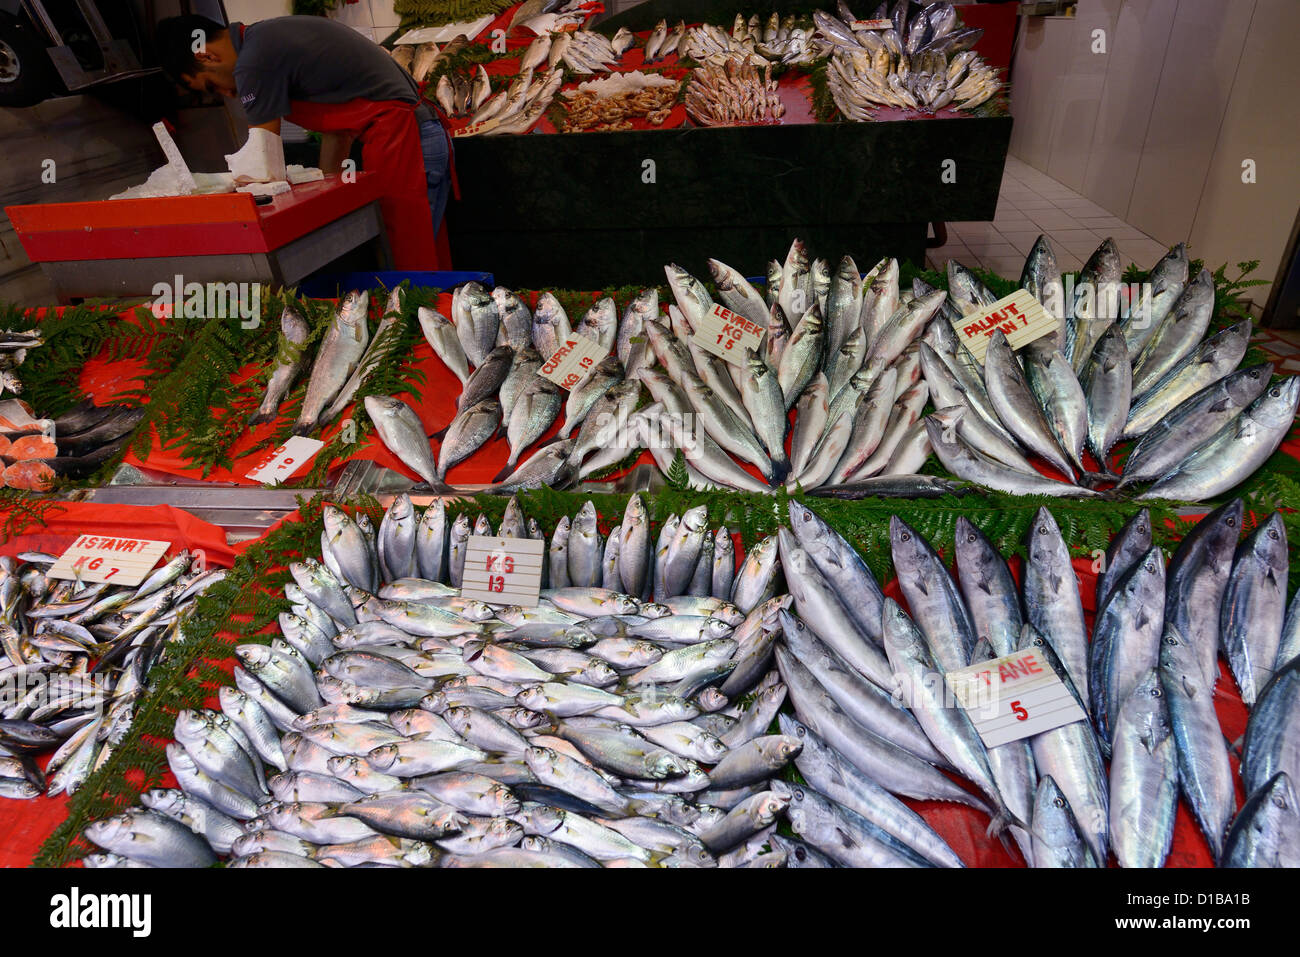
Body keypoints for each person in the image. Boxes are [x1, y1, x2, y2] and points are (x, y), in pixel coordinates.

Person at [154, 14, 451, 269]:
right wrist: (327, 186)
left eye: (212, 85)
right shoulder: (268, 38)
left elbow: (263, 164)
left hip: (408, 143)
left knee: (408, 268)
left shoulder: (253, 62)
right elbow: (340, 127)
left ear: (205, 56)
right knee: (419, 267)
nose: (228, 94)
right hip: (419, 139)